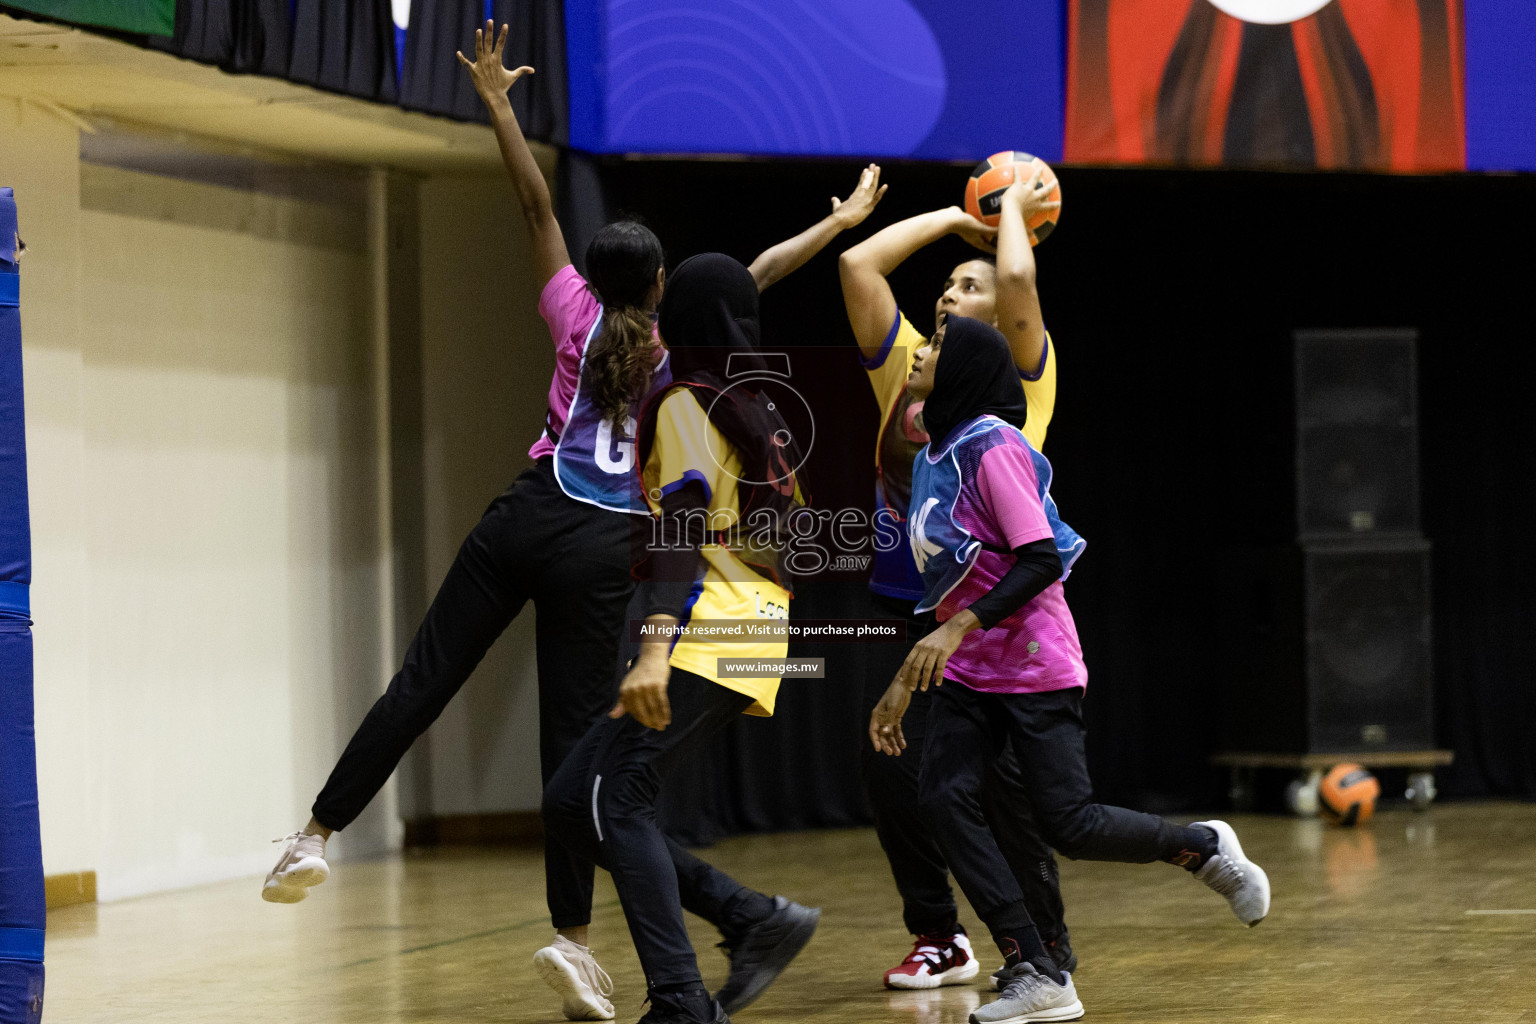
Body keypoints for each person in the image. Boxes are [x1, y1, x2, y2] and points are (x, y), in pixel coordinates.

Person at [260, 21, 886, 1024]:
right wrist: (840, 220)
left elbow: (536, 200)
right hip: (615, 553)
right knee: (577, 760)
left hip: (533, 509)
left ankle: (315, 833)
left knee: (429, 680)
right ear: (662, 286)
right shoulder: (692, 366)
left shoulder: (576, 314)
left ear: (596, 283)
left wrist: (503, 108)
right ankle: (580, 940)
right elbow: (754, 274)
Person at [870, 315, 1271, 1024]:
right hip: (971, 671)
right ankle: (1037, 967)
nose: (919, 351)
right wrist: (907, 674)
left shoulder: (992, 446)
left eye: (933, 344)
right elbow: (949, 583)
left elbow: (1040, 558)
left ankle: (1202, 846)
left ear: (960, 366)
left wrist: (955, 631)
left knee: (1069, 824)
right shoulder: (935, 449)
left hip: (1032, 664)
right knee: (940, 798)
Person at [543, 254, 818, 1024]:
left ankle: (679, 1001)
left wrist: (656, 649)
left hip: (706, 624)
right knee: (573, 800)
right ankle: (750, 917)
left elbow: (682, 528)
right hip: (755, 622)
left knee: (618, 800)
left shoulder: (686, 405)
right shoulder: (758, 404)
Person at [838, 171, 1075, 989]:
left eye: (965, 286)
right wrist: (950, 218)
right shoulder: (910, 366)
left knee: (1001, 797)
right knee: (890, 770)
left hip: (991, 620)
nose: (948, 294)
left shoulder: (1021, 374)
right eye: (943, 285)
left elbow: (1015, 277)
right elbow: (859, 267)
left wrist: (1008, 206)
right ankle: (940, 934)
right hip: (912, 605)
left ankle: (1046, 952)